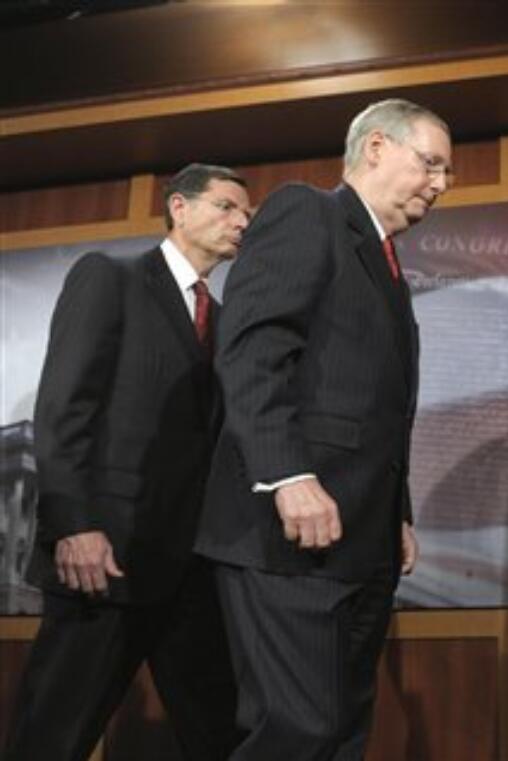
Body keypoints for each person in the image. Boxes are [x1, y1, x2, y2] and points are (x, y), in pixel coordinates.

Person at [193, 99, 449, 760]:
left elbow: (372, 407)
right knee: (295, 730)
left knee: (338, 735)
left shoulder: (390, 266)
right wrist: (288, 472)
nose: (441, 184)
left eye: (446, 173)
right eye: (430, 163)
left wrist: (398, 511)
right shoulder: (308, 211)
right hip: (285, 534)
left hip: (362, 542)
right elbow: (251, 350)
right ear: (374, 149)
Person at [4, 164, 251, 761]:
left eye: (248, 214)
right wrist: (75, 524)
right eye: (227, 207)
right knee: (54, 736)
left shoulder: (224, 323)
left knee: (222, 736)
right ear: (179, 208)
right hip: (104, 559)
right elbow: (65, 408)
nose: (242, 222)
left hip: (191, 569)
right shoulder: (108, 278)